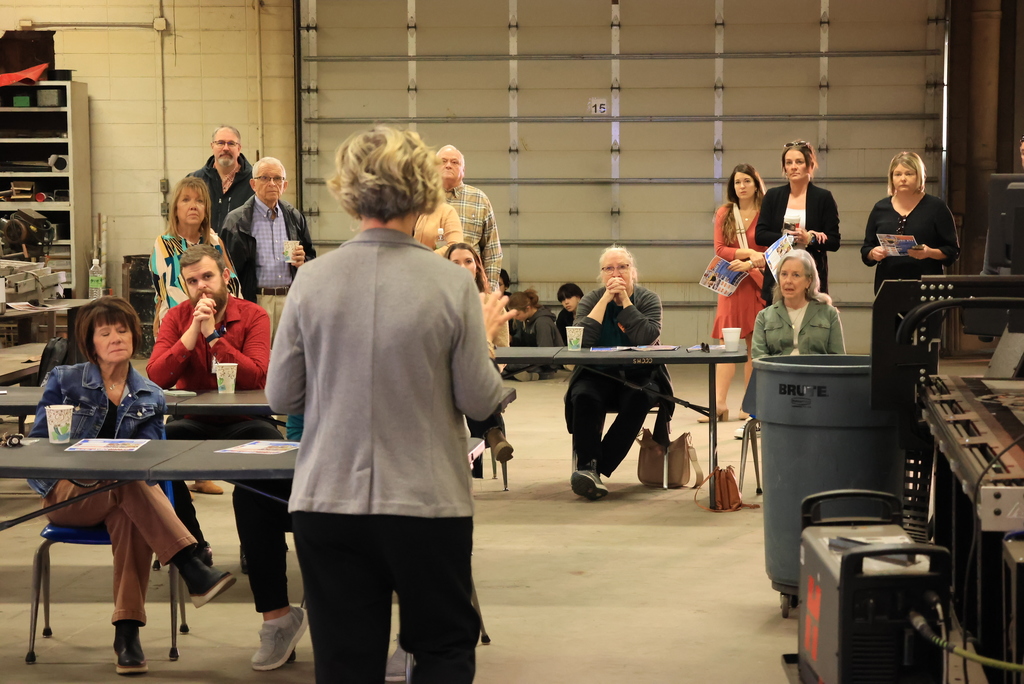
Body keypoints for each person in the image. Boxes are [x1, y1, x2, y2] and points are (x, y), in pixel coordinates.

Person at [267, 125, 510, 684]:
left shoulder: (312, 280)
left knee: (345, 663)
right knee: (443, 649)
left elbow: (282, 395)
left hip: (328, 499)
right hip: (426, 503)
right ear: (425, 192)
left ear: (348, 190)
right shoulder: (451, 284)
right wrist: (485, 341)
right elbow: (478, 398)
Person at [27, 296, 235, 676]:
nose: (115, 338)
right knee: (125, 482)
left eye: (122, 330)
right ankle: (189, 562)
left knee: (130, 509)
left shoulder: (150, 393)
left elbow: (149, 462)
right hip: (68, 494)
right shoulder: (65, 380)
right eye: (105, 333)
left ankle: (127, 635)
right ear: (91, 343)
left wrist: (120, 465)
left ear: (134, 336)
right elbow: (37, 446)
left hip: (123, 496)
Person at [146, 244, 305, 672]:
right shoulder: (176, 318)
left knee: (262, 474)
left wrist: (216, 337)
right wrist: (191, 334)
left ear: (224, 277)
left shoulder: (252, 315)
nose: (201, 287)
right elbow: (157, 376)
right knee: (157, 453)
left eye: (207, 277)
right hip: (194, 420)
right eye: (192, 281)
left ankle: (264, 562)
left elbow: (259, 376)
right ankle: (192, 546)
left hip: (246, 420)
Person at [151, 178, 240, 499]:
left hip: (215, 322)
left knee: (214, 389)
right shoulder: (164, 243)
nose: (193, 206)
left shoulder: (215, 240)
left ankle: (202, 474)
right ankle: (179, 473)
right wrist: (195, 319)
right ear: (175, 207)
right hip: (178, 324)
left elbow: (232, 282)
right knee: (182, 395)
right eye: (186, 200)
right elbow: (172, 287)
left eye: (199, 201)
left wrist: (227, 317)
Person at [565, 246, 672, 501]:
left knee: (640, 397)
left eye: (623, 267)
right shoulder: (591, 300)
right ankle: (588, 467)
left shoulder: (648, 299)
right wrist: (604, 300)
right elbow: (582, 341)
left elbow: (647, 337)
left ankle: (594, 469)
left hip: (640, 373)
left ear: (633, 272)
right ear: (601, 274)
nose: (616, 274)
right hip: (597, 373)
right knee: (583, 396)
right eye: (609, 269)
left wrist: (625, 301)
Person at [220, 156, 316, 338]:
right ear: (253, 184)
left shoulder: (294, 217)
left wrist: (303, 261)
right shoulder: (236, 221)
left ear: (284, 185)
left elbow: (311, 256)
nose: (272, 183)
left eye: (277, 178)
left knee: (289, 353)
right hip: (255, 300)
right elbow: (226, 269)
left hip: (289, 300)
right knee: (257, 353)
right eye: (264, 178)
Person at [446, 242, 515, 477]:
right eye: (455, 262)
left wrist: (493, 369)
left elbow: (502, 345)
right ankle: (494, 435)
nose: (463, 267)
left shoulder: (490, 301)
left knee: (475, 382)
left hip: (483, 366)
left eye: (468, 261)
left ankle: (489, 440)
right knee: (470, 385)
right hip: (445, 371)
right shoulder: (438, 299)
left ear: (477, 267)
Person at [707, 164, 768, 423]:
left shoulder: (767, 211)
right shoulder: (724, 212)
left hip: (757, 282)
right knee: (726, 345)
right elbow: (720, 249)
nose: (741, 186)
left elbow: (775, 247)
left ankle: (748, 404)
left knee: (755, 345)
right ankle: (719, 404)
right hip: (732, 284)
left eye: (746, 181)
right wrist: (748, 253)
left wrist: (753, 261)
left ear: (756, 184)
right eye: (737, 182)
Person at [860, 151, 959, 293]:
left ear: (919, 176)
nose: (903, 179)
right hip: (888, 285)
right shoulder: (880, 208)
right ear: (891, 178)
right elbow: (866, 249)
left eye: (909, 174)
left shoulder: (936, 207)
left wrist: (929, 252)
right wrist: (873, 253)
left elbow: (952, 251)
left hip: (926, 286)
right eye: (897, 174)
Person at [755, 140, 841, 302]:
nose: (793, 167)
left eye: (799, 162)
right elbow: (760, 235)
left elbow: (834, 241)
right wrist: (788, 238)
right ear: (784, 168)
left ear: (810, 166)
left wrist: (809, 239)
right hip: (778, 275)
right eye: (789, 163)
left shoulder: (823, 198)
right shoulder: (773, 196)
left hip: (810, 275)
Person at [751, 249, 845, 359]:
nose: (788, 281)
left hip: (816, 370)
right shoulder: (764, 316)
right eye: (784, 274)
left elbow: (838, 359)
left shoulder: (829, 313)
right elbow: (759, 358)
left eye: (796, 275)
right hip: (777, 370)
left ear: (808, 281)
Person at [439, 144, 503, 291]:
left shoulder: (479, 199)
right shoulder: (420, 199)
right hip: (433, 285)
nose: (448, 165)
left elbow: (492, 250)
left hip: (472, 287)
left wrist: (488, 290)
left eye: (454, 162)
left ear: (463, 170)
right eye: (443, 161)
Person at [189, 125, 255, 233]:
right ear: (212, 146)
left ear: (239, 148)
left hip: (241, 245)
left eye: (231, 143)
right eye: (220, 143)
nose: (225, 148)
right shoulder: (194, 180)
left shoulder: (256, 183)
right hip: (204, 244)